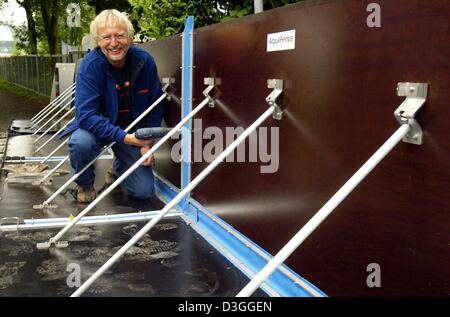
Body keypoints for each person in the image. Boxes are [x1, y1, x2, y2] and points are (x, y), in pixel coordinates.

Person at [61, 9, 164, 203]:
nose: (114, 43)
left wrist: (147, 143)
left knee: (144, 191)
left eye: (120, 36)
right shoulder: (89, 66)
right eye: (106, 37)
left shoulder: (145, 62)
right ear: (97, 41)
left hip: (133, 130)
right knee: (81, 142)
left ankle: (118, 167)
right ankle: (84, 183)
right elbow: (86, 115)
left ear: (130, 38)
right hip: (97, 129)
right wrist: (126, 139)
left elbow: (156, 104)